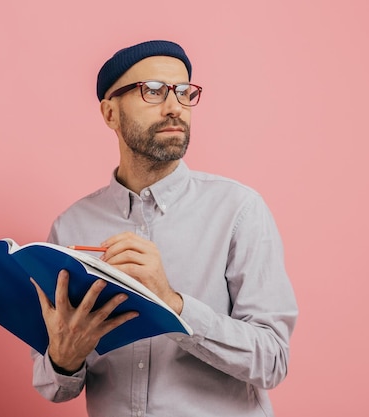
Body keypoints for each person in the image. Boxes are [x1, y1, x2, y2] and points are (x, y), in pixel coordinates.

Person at [30, 40, 298, 417]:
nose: (175, 106)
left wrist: (172, 304)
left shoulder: (239, 210)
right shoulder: (72, 225)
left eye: (184, 93)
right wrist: (63, 358)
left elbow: (272, 361)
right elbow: (52, 387)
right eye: (153, 91)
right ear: (110, 113)